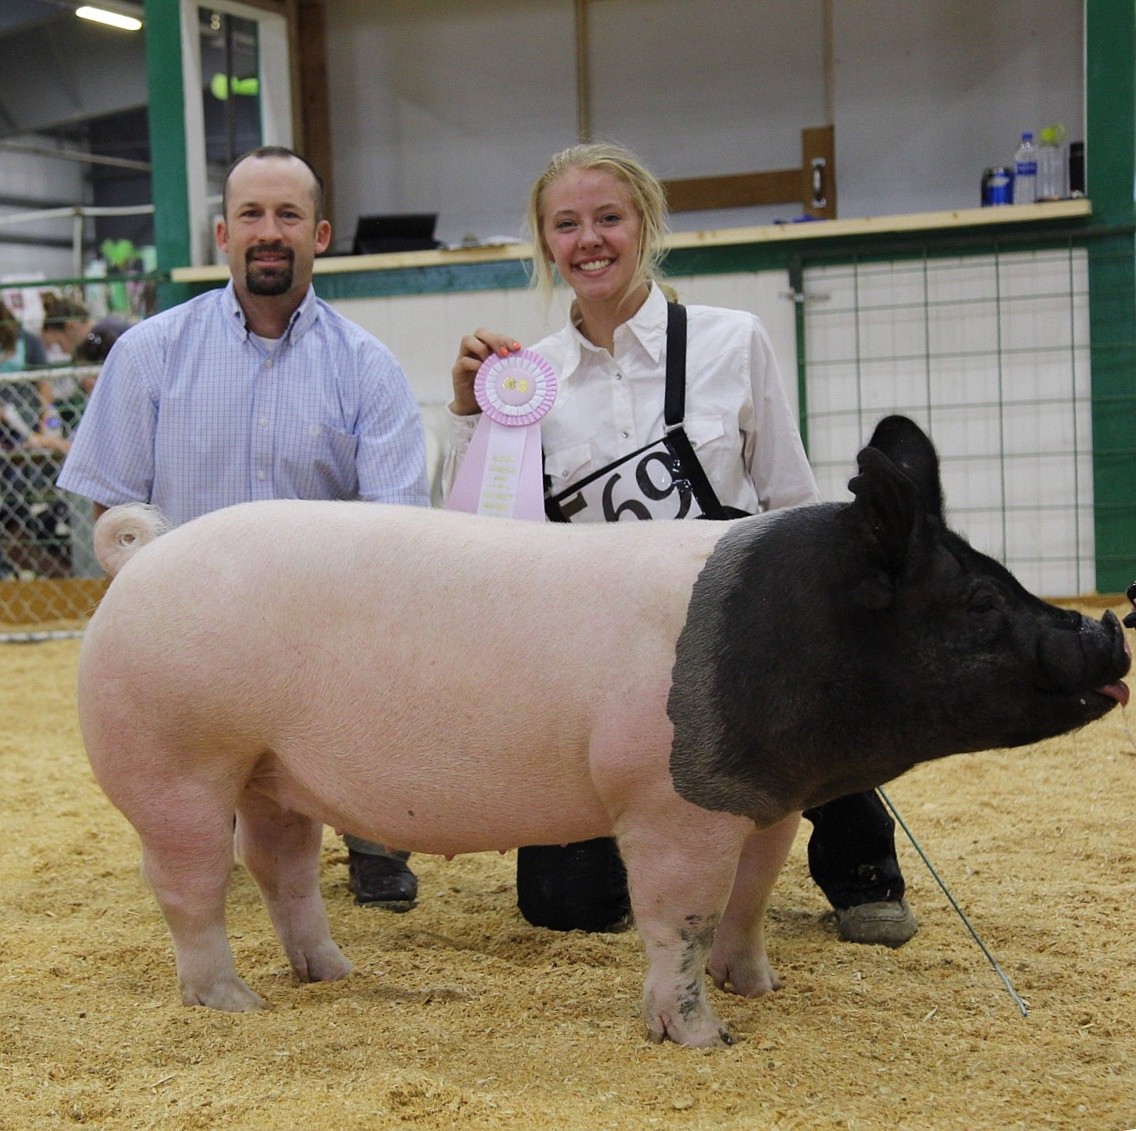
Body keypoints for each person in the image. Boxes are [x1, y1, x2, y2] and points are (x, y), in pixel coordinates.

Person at [443, 141, 917, 947]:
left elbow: (792, 496)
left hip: (740, 629)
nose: (588, 240)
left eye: (607, 218)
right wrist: (465, 414)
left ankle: (861, 865)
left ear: (645, 225)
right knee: (565, 907)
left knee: (820, 689)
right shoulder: (528, 379)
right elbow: (482, 535)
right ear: (545, 243)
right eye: (566, 224)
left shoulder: (734, 341)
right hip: (610, 656)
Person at [58, 145, 429, 911]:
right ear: (222, 236)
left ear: (319, 235)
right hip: (192, 636)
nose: (269, 231)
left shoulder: (368, 367)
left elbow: (397, 531)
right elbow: (115, 514)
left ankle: (372, 835)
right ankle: (204, 820)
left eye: (287, 215)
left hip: (325, 636)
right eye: (250, 215)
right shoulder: (149, 353)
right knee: (195, 828)